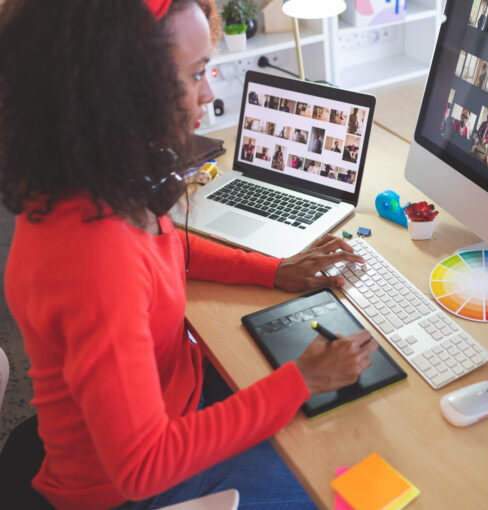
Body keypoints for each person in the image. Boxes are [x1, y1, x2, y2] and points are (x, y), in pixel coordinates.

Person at [0, 1, 380, 509]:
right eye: (197, 73)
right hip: (133, 489)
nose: (208, 93)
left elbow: (167, 245)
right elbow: (143, 467)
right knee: (347, 481)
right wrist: (302, 381)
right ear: (124, 89)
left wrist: (274, 271)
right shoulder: (93, 257)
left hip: (178, 395)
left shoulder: (89, 179)